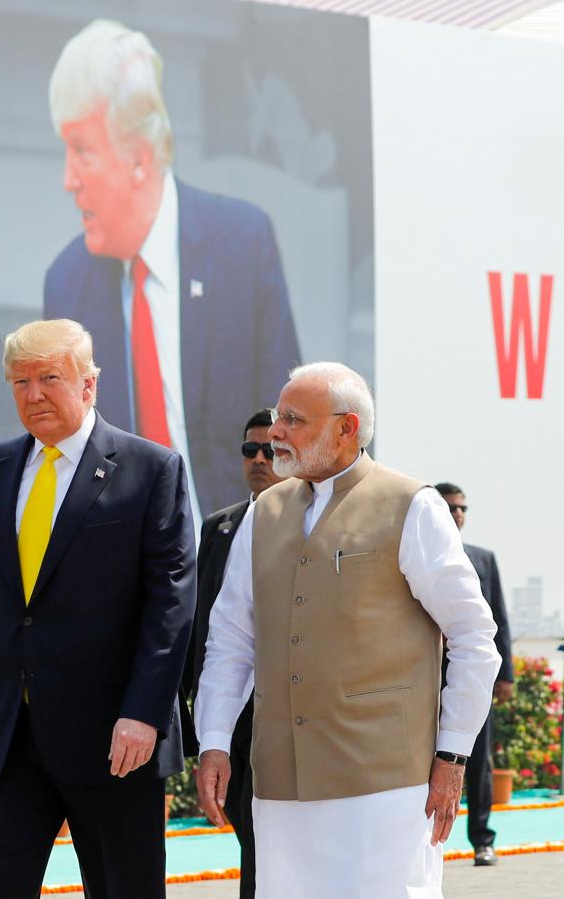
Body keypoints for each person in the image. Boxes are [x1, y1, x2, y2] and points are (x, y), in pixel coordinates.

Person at [196, 363, 500, 897]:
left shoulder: (410, 505)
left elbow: (474, 637)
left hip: (387, 787)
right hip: (280, 788)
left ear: (347, 428)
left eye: (293, 419)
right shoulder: (262, 513)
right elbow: (230, 640)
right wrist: (215, 742)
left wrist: (452, 757)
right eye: (277, 417)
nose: (276, 433)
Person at [0, 319, 196, 898]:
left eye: (49, 378)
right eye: (19, 382)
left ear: (89, 384)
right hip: (9, 738)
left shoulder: (151, 470)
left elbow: (170, 607)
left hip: (114, 741)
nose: (33, 395)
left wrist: (144, 713)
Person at [43, 19, 300, 517]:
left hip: (241, 551)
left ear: (139, 157)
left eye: (82, 151)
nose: (68, 179)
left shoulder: (242, 245)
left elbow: (291, 426)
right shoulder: (66, 283)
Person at [181, 408, 283, 898]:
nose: (259, 459)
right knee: (244, 823)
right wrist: (189, 699)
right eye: (250, 450)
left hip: (286, 707)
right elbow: (203, 618)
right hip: (231, 707)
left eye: (271, 450)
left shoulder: (311, 522)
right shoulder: (220, 526)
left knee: (270, 832)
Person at [434, 481, 513, 867]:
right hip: (425, 678)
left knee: (478, 760)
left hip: (472, 678)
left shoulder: (483, 559)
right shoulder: (417, 555)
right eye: (449, 508)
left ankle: (482, 839)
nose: (457, 514)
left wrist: (505, 675)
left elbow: (498, 618)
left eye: (462, 508)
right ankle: (426, 842)